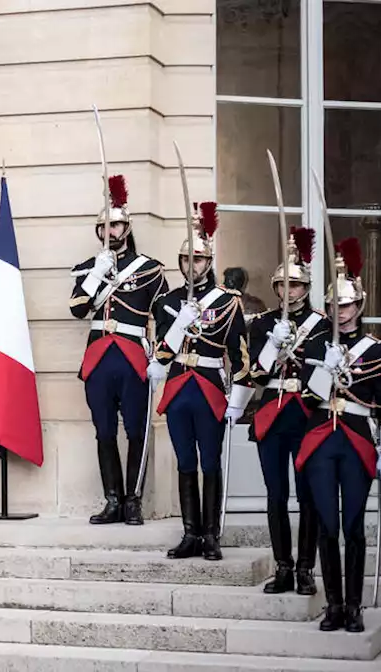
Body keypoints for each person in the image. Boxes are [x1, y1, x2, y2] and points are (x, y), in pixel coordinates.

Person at [298, 237, 381, 633]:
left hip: (356, 438)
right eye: (334, 306)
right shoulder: (316, 344)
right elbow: (308, 397)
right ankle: (333, 604)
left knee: (353, 527)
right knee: (326, 523)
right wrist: (327, 369)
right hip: (323, 436)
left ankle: (354, 605)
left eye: (346, 305)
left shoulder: (376, 351)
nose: (340, 312)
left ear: (358, 306)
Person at [151, 202, 251, 562]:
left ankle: (211, 534)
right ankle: (190, 532)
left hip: (209, 385)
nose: (190, 266)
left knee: (210, 461)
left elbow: (240, 356)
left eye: (197, 260)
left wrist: (238, 401)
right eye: (185, 260)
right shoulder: (167, 302)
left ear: (208, 263)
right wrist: (180, 324)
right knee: (184, 462)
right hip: (178, 386)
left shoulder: (228, 302)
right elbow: (161, 352)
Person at [69, 175, 168, 525]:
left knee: (137, 431)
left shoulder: (151, 270)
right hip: (98, 356)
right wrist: (97, 274)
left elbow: (166, 319)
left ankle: (133, 500)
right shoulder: (87, 269)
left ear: (127, 228)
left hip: (132, 356)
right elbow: (78, 309)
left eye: (117, 225)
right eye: (105, 226)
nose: (111, 231)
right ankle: (112, 499)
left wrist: (162, 358)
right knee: (104, 431)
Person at [245, 227, 328, 596]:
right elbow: (257, 374)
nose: (288, 291)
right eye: (283, 285)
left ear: (306, 288)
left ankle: (307, 568)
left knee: (308, 494)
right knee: (276, 494)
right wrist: (272, 345)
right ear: (276, 288)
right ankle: (282, 565)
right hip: (273, 414)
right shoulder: (262, 323)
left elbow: (326, 377)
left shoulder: (323, 325)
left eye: (295, 285)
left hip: (308, 414)